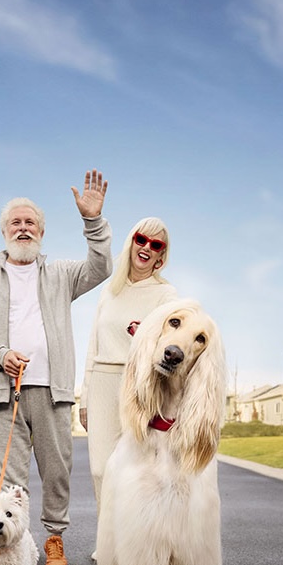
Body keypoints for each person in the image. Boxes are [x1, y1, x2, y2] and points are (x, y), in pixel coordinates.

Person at [0, 170, 112, 565]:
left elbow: (101, 268)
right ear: (4, 232)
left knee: (57, 472)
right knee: (9, 481)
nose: (23, 228)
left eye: (31, 223)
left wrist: (93, 221)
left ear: (42, 232)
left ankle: (53, 538)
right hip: (4, 392)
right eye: (16, 222)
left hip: (51, 391)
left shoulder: (61, 274)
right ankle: (12, 546)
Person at [79, 217, 178, 516]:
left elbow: (172, 340)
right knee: (100, 469)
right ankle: (107, 541)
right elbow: (92, 345)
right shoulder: (109, 291)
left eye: (156, 244)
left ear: (161, 256)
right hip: (102, 381)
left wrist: (145, 336)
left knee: (137, 471)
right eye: (141, 239)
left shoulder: (166, 295)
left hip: (141, 386)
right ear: (131, 242)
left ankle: (132, 541)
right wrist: (85, 397)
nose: (146, 247)